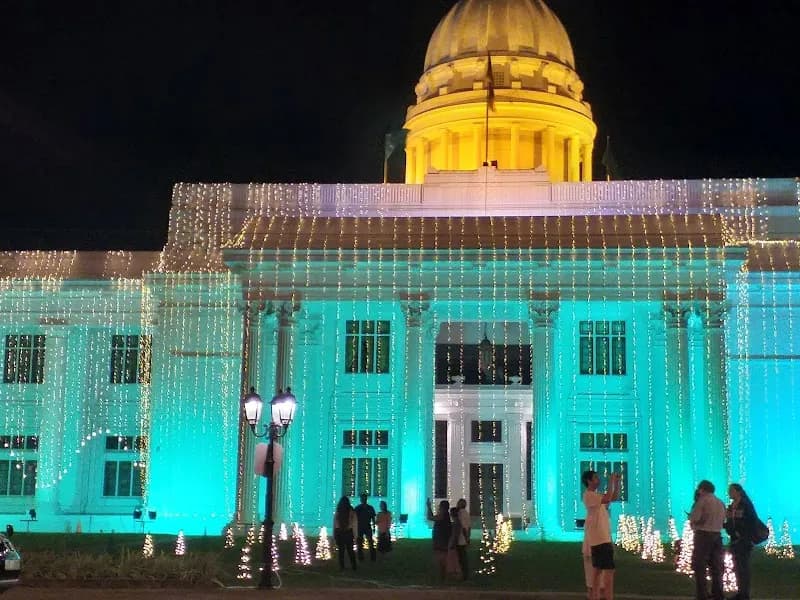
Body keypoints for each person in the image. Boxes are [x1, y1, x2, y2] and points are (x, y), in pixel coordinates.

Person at [582, 469, 620, 600]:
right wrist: (611, 481)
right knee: (609, 571)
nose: (598, 480)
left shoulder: (596, 497)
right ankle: (607, 597)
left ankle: (595, 597)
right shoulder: (589, 496)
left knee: (598, 571)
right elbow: (609, 497)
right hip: (600, 540)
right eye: (596, 478)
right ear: (589, 481)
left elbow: (613, 497)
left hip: (601, 539)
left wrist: (617, 482)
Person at [688, 480, 726, 600]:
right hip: (717, 535)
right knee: (716, 566)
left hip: (703, 534)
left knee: (700, 565)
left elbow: (696, 518)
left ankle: (702, 594)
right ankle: (718, 593)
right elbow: (723, 519)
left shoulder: (702, 501)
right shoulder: (720, 502)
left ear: (702, 489)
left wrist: (692, 520)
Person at [724, 483, 758, 600]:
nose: (729, 493)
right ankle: (741, 592)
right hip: (734, 540)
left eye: (731, 490)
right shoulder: (732, 506)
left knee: (743, 566)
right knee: (738, 566)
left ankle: (744, 594)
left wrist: (742, 533)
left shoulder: (745, 505)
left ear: (738, 491)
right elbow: (730, 522)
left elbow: (751, 521)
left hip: (743, 541)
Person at [426, 498, 452, 582]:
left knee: (441, 559)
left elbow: (430, 517)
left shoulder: (443, 515)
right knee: (441, 558)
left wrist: (429, 507)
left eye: (440, 506)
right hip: (442, 539)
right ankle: (442, 576)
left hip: (441, 540)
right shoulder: (445, 515)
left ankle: (442, 576)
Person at [333, 495, 357, 571]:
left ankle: (342, 566)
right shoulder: (351, 510)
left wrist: (335, 534)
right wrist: (355, 535)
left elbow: (335, 523)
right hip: (348, 532)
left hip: (339, 532)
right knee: (350, 550)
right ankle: (354, 566)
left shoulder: (338, 510)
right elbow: (355, 524)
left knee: (341, 551)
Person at [354, 493, 377, 561]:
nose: (363, 500)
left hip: (367, 526)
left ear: (366, 499)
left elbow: (373, 518)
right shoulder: (358, 508)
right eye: (362, 499)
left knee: (370, 542)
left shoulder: (370, 508)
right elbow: (354, 518)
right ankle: (361, 557)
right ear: (361, 500)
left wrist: (373, 527)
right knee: (360, 542)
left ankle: (372, 557)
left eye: (364, 498)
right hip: (360, 527)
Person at [455, 498, 471, 580]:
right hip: (464, 538)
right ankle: (464, 574)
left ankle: (464, 575)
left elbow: (464, 527)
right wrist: (468, 537)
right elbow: (469, 527)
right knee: (463, 557)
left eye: (458, 503)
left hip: (461, 539)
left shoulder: (461, 513)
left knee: (461, 558)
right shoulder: (467, 513)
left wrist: (466, 537)